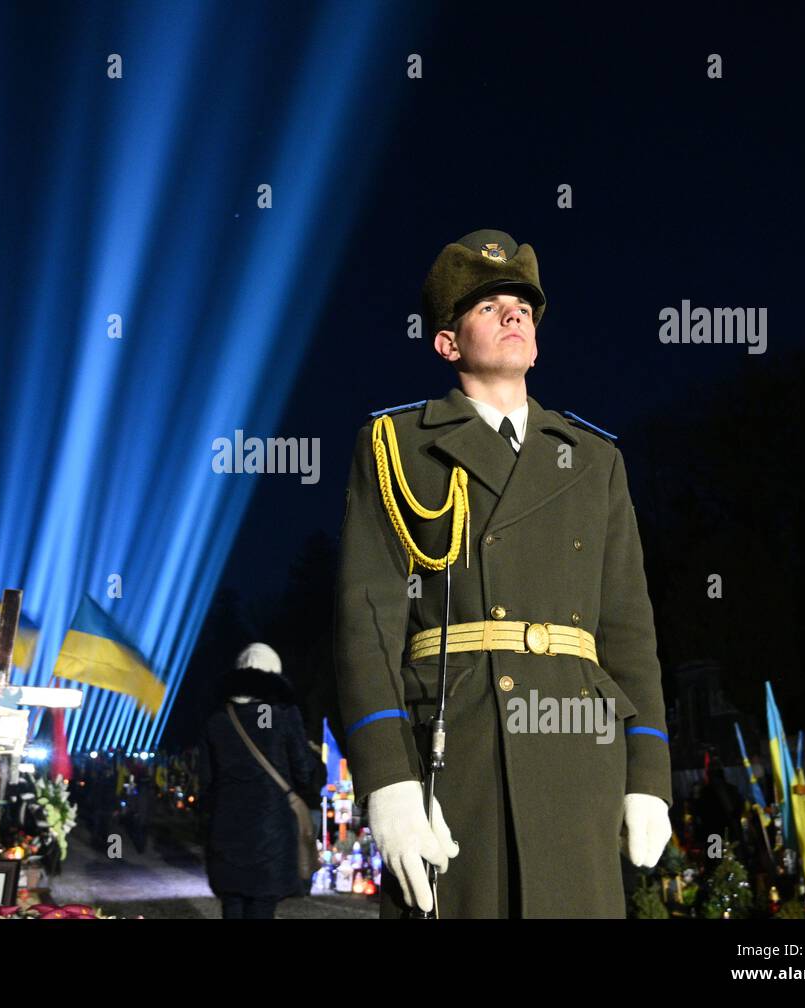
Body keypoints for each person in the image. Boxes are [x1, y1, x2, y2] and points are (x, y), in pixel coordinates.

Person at [334, 229, 673, 918]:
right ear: (447, 343)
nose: (514, 312)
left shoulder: (594, 459)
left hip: (579, 750)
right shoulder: (398, 446)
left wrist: (650, 777)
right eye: (488, 306)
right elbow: (366, 622)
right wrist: (388, 781)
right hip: (454, 754)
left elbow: (630, 631)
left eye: (522, 304)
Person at [199, 643, 318, 919]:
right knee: (263, 906)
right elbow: (303, 772)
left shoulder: (217, 719)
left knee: (232, 904)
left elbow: (205, 782)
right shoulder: (285, 715)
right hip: (272, 829)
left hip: (226, 826)